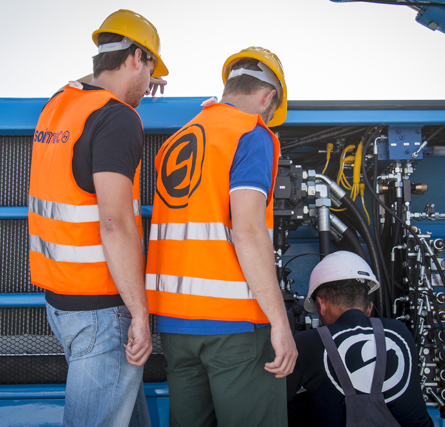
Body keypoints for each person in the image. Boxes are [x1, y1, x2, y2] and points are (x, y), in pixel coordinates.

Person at [27, 9, 168, 427]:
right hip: (102, 314)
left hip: (61, 303)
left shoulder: (59, 106)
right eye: (150, 69)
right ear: (137, 56)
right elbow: (115, 222)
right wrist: (140, 313)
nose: (150, 83)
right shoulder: (116, 118)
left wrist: (137, 84)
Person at [145, 47, 297, 427]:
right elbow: (246, 230)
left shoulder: (177, 140)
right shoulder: (250, 133)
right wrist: (280, 322)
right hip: (234, 328)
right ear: (268, 98)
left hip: (176, 326)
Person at [287, 251, 434, 427]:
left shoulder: (308, 342)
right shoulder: (399, 331)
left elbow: (274, 398)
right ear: (369, 308)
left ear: (321, 305)